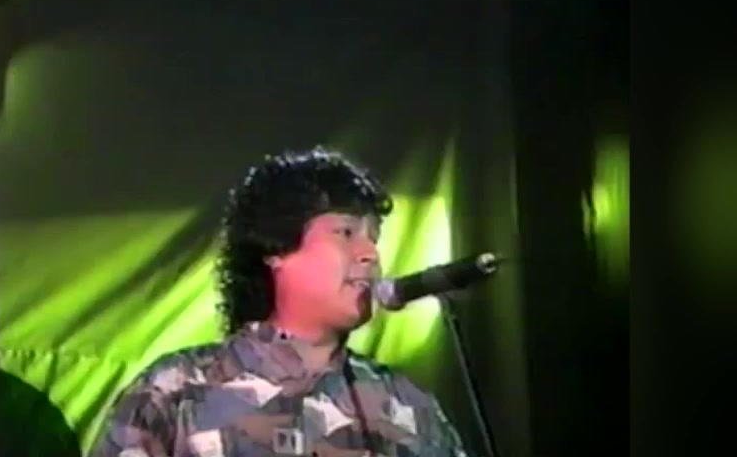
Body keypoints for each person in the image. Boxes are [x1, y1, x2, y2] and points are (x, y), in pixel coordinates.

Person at [89, 147, 469, 457]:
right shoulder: (175, 391)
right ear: (276, 250)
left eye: (374, 237)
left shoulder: (407, 404)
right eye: (346, 232)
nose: (370, 254)